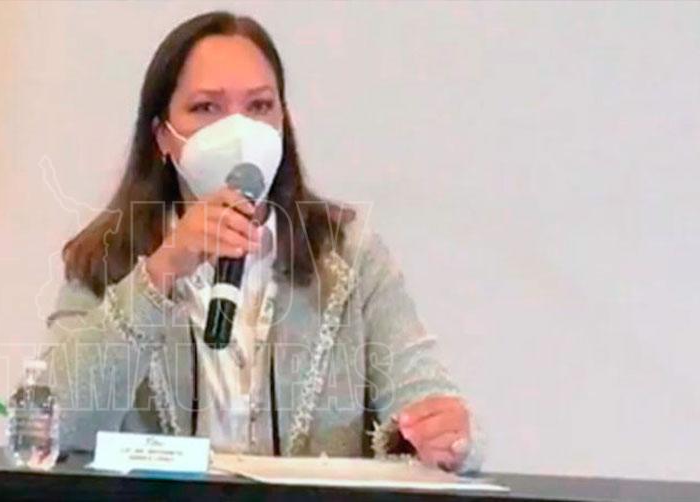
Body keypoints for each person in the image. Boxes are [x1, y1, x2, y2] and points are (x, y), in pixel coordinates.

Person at [44, 11, 483, 473]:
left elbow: (425, 398)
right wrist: (161, 273)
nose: (239, 131)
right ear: (162, 138)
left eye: (258, 106)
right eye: (206, 108)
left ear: (282, 125)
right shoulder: (107, 257)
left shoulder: (349, 257)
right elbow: (54, 426)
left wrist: (444, 435)